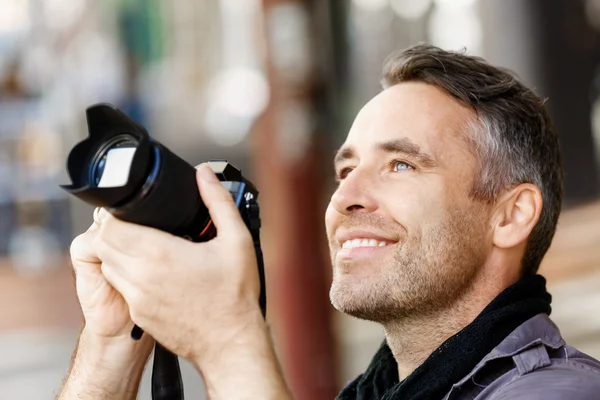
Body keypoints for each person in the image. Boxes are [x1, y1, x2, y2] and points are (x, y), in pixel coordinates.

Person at [56, 44, 600, 400]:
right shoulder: (374, 393)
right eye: (345, 169)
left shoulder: (560, 391)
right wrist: (112, 344)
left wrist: (229, 339)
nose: (346, 198)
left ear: (510, 215)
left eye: (400, 164)